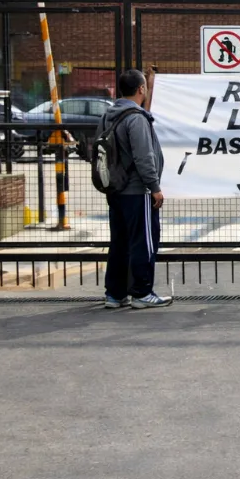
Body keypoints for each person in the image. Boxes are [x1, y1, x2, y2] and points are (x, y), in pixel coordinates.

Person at [99, 69, 173, 309]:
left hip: (116, 189)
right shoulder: (137, 119)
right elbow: (144, 156)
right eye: (145, 87)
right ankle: (142, 291)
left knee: (119, 242)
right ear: (140, 89)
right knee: (144, 242)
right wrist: (154, 186)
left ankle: (115, 293)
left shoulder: (109, 115)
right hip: (136, 190)